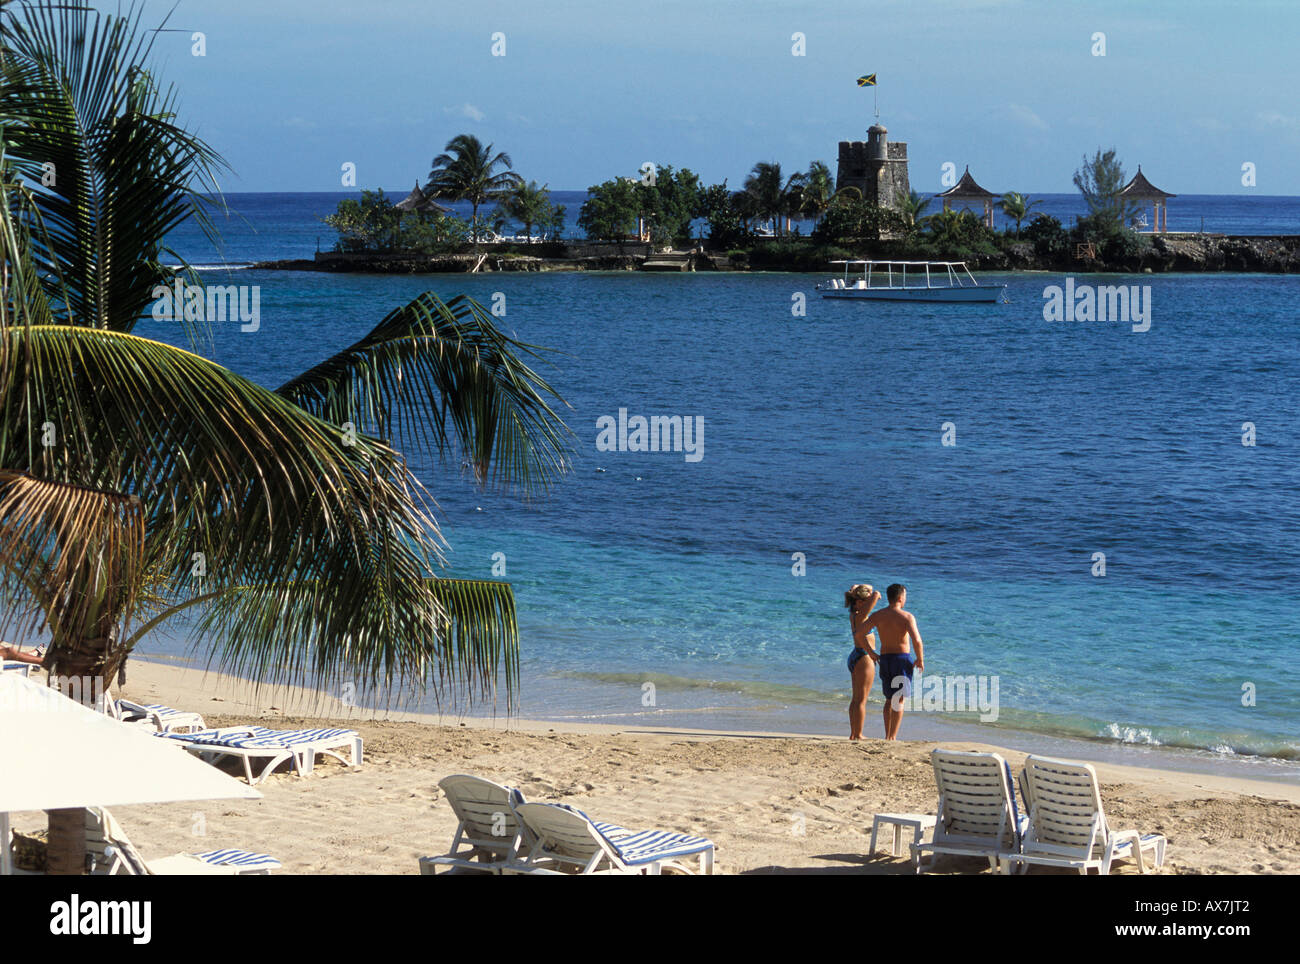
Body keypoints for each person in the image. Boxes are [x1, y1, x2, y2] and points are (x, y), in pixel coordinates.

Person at [860, 584, 924, 740]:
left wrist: (871, 653)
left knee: (889, 699)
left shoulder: (878, 615)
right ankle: (892, 737)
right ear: (901, 598)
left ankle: (887, 735)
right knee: (899, 699)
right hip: (901, 660)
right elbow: (917, 640)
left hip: (885, 659)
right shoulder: (907, 617)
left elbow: (859, 634)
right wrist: (920, 659)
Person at [845, 584, 881, 740]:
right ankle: (858, 734)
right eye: (865, 601)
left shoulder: (853, 614)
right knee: (861, 700)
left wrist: (856, 590)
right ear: (859, 602)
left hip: (856, 655)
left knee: (856, 699)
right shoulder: (861, 615)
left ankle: (854, 733)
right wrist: (868, 594)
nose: (868, 604)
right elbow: (877, 594)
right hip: (864, 657)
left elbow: (870, 590)